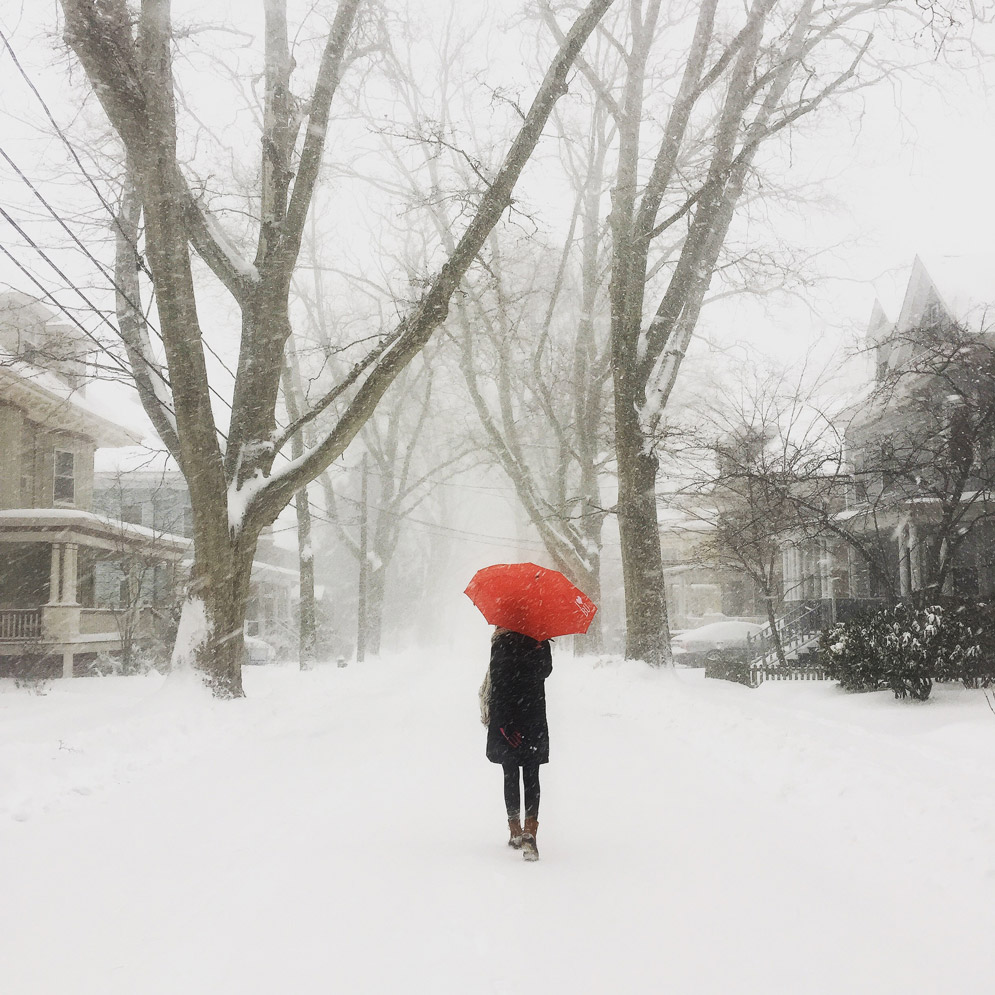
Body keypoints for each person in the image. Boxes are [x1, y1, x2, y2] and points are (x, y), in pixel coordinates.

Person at [484, 626, 553, 862]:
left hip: (509, 718)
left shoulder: (501, 640)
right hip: (532, 716)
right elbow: (545, 671)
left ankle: (515, 830)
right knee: (532, 773)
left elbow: (498, 682)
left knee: (510, 773)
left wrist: (504, 724)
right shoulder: (538, 636)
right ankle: (530, 831)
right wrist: (539, 647)